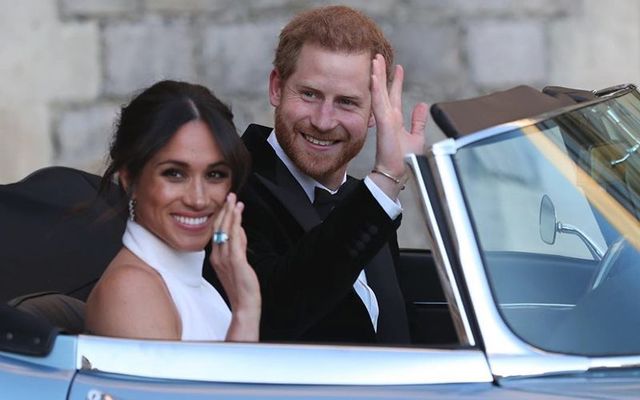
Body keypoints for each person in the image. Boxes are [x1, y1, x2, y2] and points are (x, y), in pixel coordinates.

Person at [232, 5, 428, 344]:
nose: (323, 121)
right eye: (309, 94)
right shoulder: (231, 186)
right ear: (277, 88)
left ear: (373, 112)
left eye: (347, 102)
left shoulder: (363, 199)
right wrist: (385, 181)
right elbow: (275, 313)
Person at [86, 80, 260, 341]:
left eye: (215, 174)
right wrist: (246, 312)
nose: (198, 199)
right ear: (129, 178)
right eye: (175, 174)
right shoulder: (132, 290)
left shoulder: (195, 284)